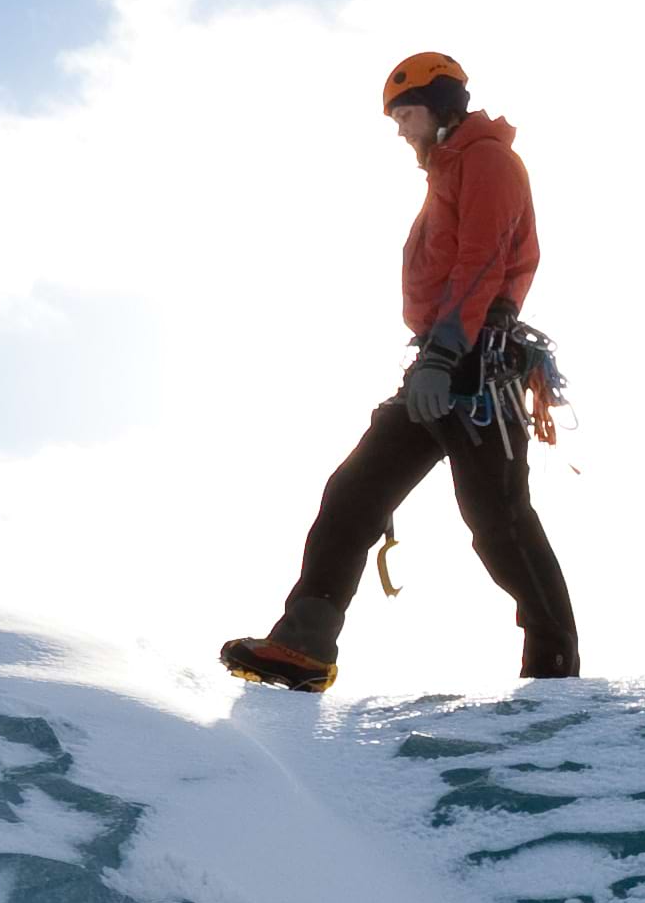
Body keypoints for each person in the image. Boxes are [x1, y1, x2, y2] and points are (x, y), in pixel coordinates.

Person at [222, 51, 581, 690]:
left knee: (499, 524)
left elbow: (483, 264)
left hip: (471, 367)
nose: (399, 130)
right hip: (437, 369)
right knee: (353, 493)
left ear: (441, 107)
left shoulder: (488, 161)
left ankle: (553, 674)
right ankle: (304, 646)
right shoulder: (447, 172)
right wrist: (433, 361)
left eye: (406, 114)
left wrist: (444, 355)